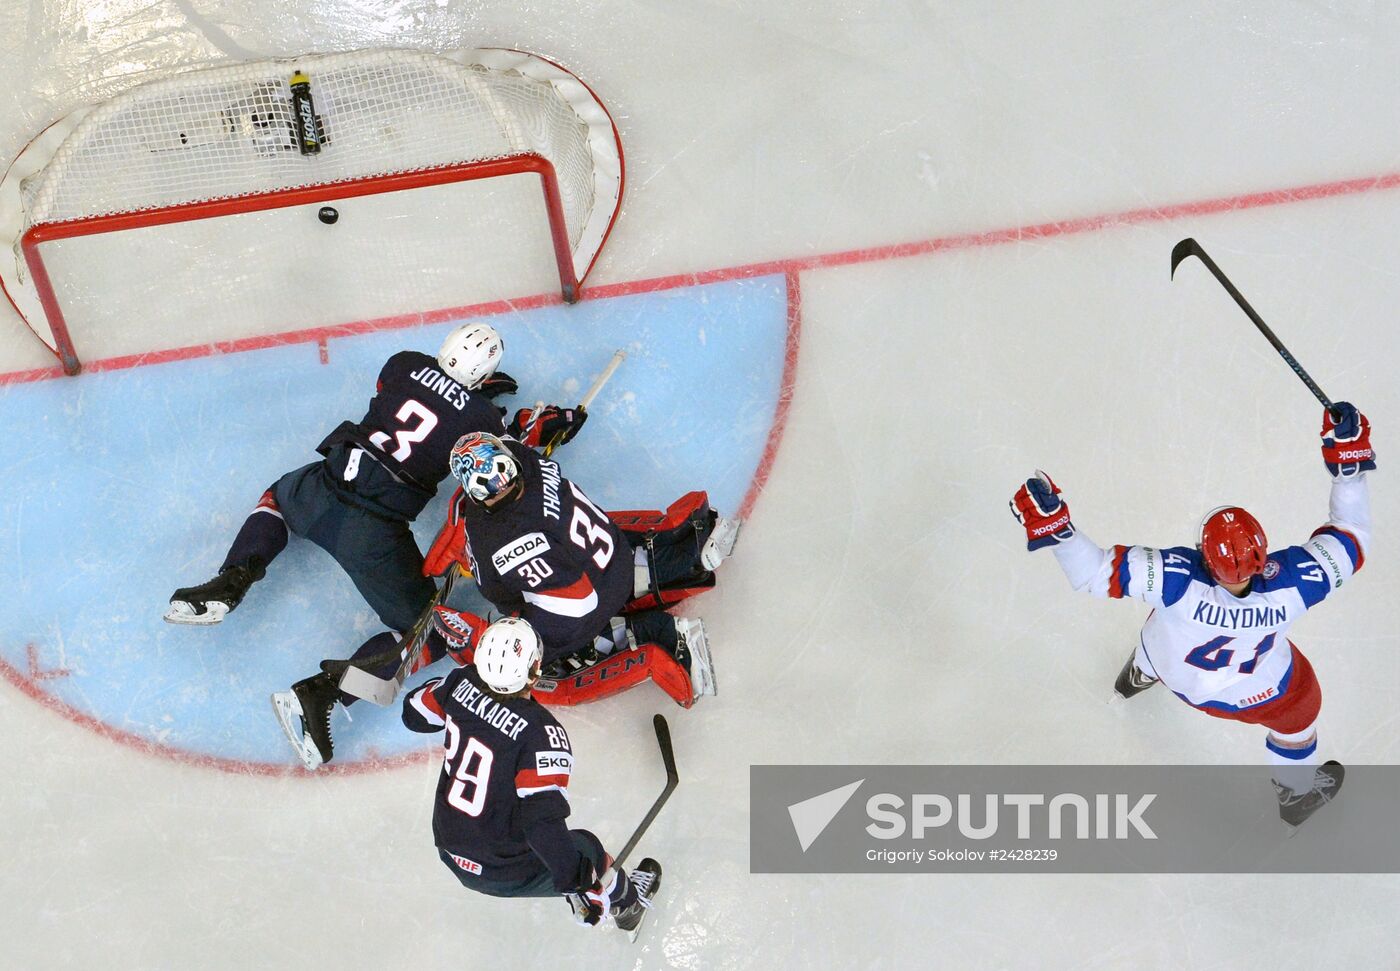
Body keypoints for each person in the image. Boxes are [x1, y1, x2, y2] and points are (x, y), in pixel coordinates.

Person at [1010, 403, 1374, 827]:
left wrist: (1058, 531)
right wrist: (1348, 468)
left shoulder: (1176, 578)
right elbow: (1352, 534)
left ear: (1205, 556)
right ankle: (1295, 794)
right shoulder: (1295, 582)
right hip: (1249, 694)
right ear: (1263, 552)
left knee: (1163, 630)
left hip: (1176, 671)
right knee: (1300, 706)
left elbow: (1093, 574)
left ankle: (1138, 676)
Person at [164, 321, 584, 632]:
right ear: (484, 376)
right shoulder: (482, 417)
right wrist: (545, 422)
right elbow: (502, 456)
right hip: (372, 534)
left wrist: (454, 395)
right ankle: (325, 691)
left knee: (276, 497)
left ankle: (232, 578)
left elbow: (404, 391)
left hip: (323, 486)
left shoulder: (404, 363)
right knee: (428, 628)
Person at [401, 617, 662, 936]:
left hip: (450, 848)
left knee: (560, 848)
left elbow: (414, 714)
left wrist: (463, 707)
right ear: (535, 669)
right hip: (499, 869)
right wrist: (578, 886)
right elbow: (541, 825)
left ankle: (603, 889)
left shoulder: (459, 682)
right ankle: (628, 904)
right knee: (587, 850)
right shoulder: (541, 734)